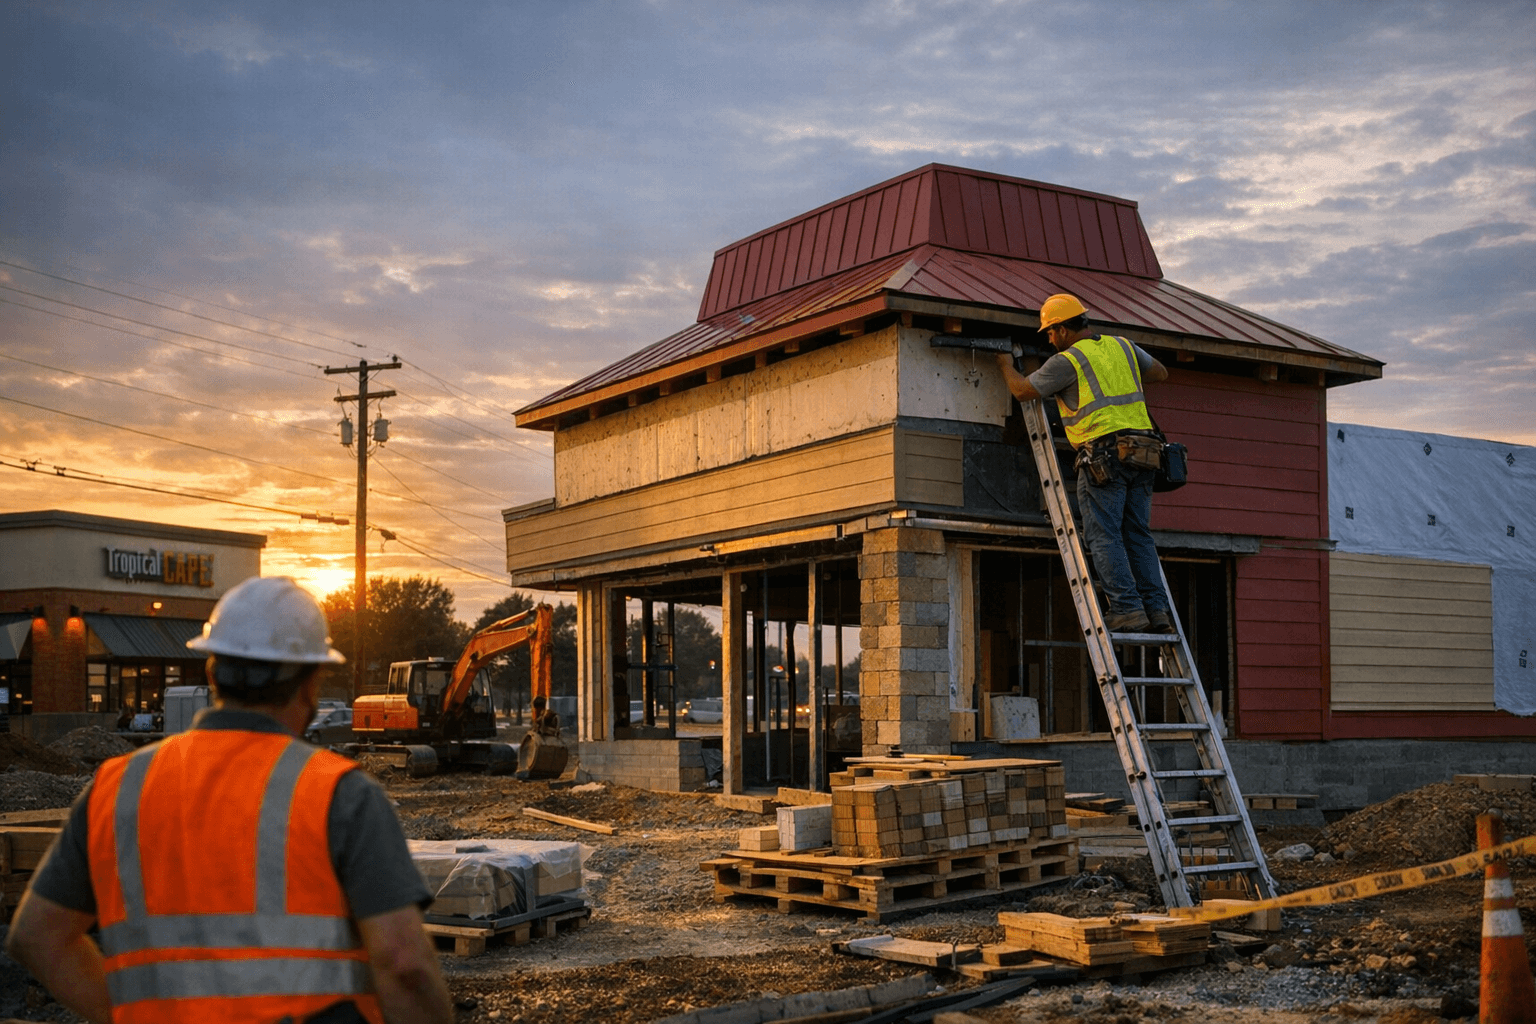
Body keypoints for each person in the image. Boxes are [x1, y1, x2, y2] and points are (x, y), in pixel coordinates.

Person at [5, 576, 454, 1024]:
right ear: (310, 681)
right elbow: (404, 966)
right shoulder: (341, 794)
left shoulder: (116, 787)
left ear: (211, 671)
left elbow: (38, 937)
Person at [997, 292, 1174, 634]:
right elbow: (1161, 373)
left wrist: (1004, 363)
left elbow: (1022, 390)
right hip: (1144, 452)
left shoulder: (1068, 361)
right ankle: (1157, 611)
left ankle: (1126, 609)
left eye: (1050, 332)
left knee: (1104, 534)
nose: (1049, 339)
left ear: (1063, 329)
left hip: (1104, 456)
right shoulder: (1122, 346)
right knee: (1137, 534)